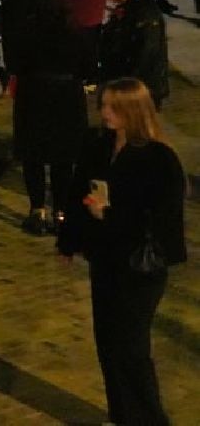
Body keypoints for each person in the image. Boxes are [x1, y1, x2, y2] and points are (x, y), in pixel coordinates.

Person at [58, 78, 187, 426]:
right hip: (105, 259)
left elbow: (162, 219)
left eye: (113, 108)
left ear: (133, 111)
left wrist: (109, 214)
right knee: (108, 345)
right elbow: (75, 189)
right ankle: (122, 415)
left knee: (131, 348)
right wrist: (69, 240)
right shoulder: (98, 145)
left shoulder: (159, 158)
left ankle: (149, 419)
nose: (105, 113)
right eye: (103, 106)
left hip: (139, 268)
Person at [7, 0, 89, 236]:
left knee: (34, 156)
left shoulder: (26, 31)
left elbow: (14, 63)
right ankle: (61, 211)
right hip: (66, 95)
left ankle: (37, 210)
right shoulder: (77, 32)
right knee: (63, 158)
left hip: (34, 94)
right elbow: (87, 66)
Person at [99, 0, 170, 106]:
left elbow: (145, 53)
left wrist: (126, 86)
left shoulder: (144, 13)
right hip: (126, 85)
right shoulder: (125, 8)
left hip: (138, 91)